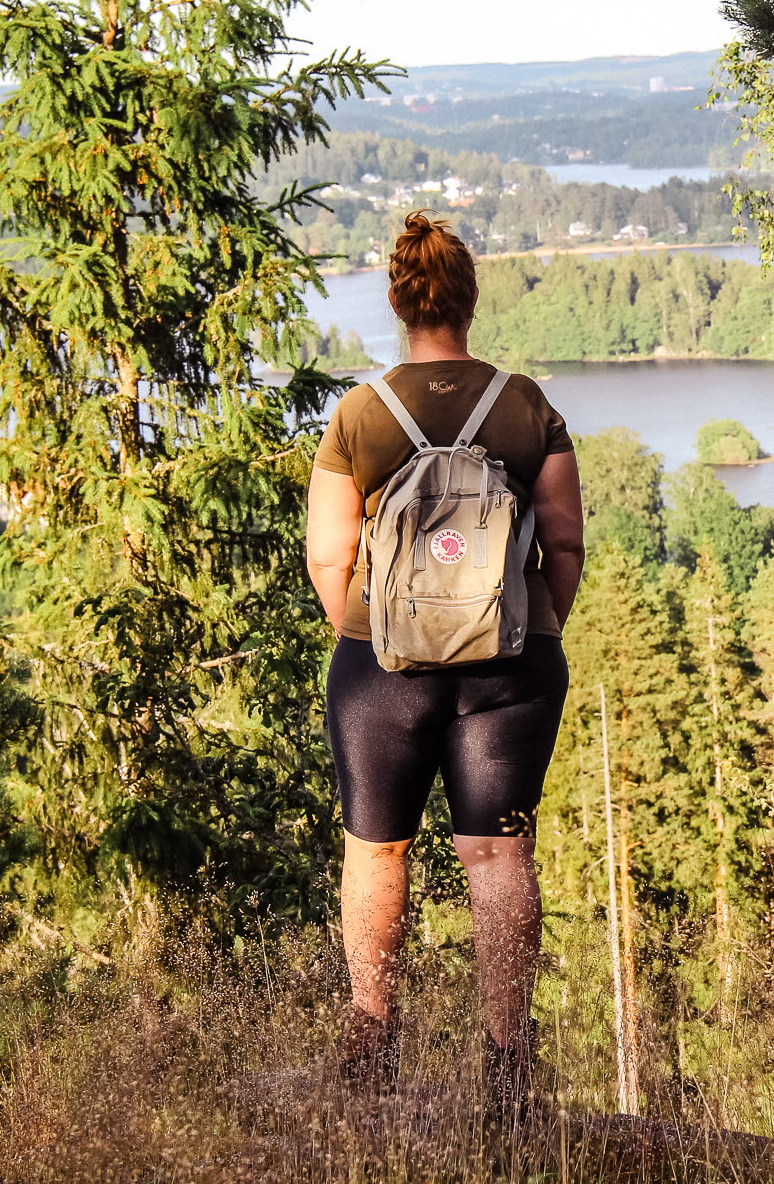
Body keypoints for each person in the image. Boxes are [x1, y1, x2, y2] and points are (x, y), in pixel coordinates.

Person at [305, 210, 585, 1116]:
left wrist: (365, 632)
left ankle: (370, 1045)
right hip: (510, 666)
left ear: (398, 300)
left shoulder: (358, 412)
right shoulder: (525, 402)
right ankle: (507, 1065)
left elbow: (326, 556)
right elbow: (567, 540)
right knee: (497, 853)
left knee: (377, 846)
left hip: (380, 667)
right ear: (468, 299)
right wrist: (532, 627)